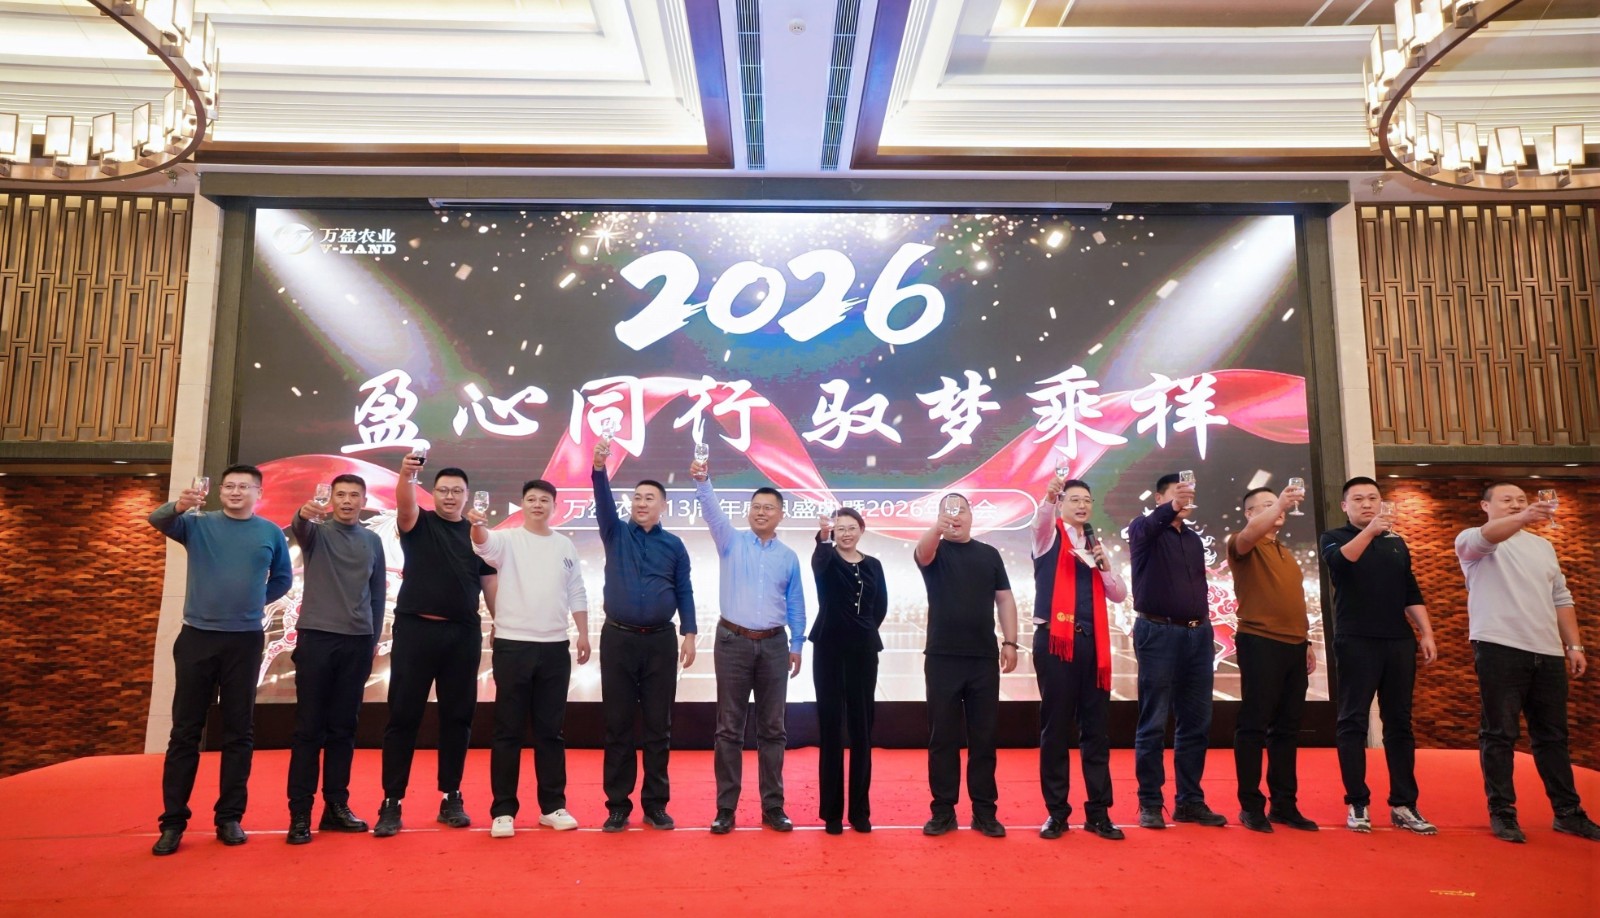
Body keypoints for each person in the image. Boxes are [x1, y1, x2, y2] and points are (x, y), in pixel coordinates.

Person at [147, 464, 292, 856]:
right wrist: (179, 505)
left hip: (244, 640)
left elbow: (283, 579)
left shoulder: (270, 532)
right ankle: (173, 822)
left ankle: (229, 817)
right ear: (220, 490)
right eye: (229, 486)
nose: (235, 491)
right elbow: (157, 519)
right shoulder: (197, 524)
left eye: (244, 486)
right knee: (185, 732)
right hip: (197, 637)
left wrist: (254, 601)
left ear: (259, 493)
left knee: (238, 731)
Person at [1456, 482, 1600, 843]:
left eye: (1521, 500)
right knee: (1499, 733)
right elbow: (1488, 537)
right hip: (1498, 647)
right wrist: (1523, 517)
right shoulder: (1472, 539)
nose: (1516, 504)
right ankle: (1503, 812)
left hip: (1548, 651)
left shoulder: (1543, 546)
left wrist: (1574, 645)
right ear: (1485, 506)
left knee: (1553, 736)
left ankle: (1568, 813)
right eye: (1507, 500)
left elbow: (1561, 598)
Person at [373, 460, 497, 837]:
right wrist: (406, 475)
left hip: (462, 635)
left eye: (457, 491)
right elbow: (404, 503)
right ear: (433, 493)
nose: (450, 496)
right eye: (443, 490)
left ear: (467, 496)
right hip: (415, 630)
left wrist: (502, 623)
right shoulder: (418, 522)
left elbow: (490, 585)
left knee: (458, 717)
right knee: (403, 716)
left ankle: (451, 796)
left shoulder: (478, 535)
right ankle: (392, 801)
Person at [468, 480, 590, 838]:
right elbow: (482, 544)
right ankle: (503, 810)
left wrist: (583, 633)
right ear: (522, 504)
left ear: (554, 506)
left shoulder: (564, 545)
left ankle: (552, 806)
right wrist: (477, 525)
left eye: (544, 500)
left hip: (555, 647)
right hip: (513, 645)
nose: (538, 504)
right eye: (532, 499)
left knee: (551, 732)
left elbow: (576, 590)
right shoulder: (507, 540)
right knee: (508, 730)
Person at [691, 458, 805, 835]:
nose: (761, 512)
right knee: (729, 728)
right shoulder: (730, 541)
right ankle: (726, 808)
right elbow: (711, 511)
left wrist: (797, 643)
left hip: (774, 645)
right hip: (732, 642)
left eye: (769, 507)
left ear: (780, 515)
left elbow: (795, 603)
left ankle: (773, 807)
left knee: (773, 729)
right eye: (756, 506)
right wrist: (703, 480)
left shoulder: (788, 558)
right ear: (748, 512)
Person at [1318, 476, 1437, 835]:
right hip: (1356, 640)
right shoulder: (1334, 537)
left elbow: (1410, 590)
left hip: (1398, 641)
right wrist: (1370, 531)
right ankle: (1357, 801)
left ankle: (1404, 804)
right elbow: (1342, 563)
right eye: (1358, 499)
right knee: (1353, 721)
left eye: (1373, 498)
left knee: (1399, 722)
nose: (1367, 504)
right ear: (1345, 506)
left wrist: (1426, 632)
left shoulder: (1396, 542)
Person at [593, 442, 697, 832]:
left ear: (663, 506)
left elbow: (683, 589)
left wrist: (689, 632)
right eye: (636, 497)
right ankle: (617, 805)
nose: (641, 503)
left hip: (660, 642)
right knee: (618, 725)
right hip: (618, 639)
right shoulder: (615, 532)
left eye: (649, 498)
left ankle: (655, 804)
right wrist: (599, 467)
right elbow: (603, 501)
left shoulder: (674, 545)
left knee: (658, 727)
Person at [285, 473, 386, 844]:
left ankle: (336, 807)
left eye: (353, 495)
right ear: (331, 500)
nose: (346, 501)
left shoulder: (373, 540)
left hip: (357, 642)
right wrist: (302, 513)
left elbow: (377, 595)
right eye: (340, 494)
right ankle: (300, 814)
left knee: (344, 729)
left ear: (364, 501)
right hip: (316, 639)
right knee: (309, 729)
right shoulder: (316, 532)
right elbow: (299, 525)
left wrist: (372, 640)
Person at [1126, 472, 1227, 829]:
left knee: (1196, 722)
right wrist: (1172, 508)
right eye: (1176, 494)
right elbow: (1150, 525)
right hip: (1158, 632)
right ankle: (1150, 802)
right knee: (1153, 721)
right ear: (1159, 499)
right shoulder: (1143, 530)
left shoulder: (1194, 539)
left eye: (1188, 494)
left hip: (1198, 634)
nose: (1185, 499)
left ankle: (1190, 801)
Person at [915, 492, 1019, 838]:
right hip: (942, 658)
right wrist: (937, 528)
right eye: (948, 512)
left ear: (972, 516)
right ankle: (943, 811)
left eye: (961, 511)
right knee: (942, 738)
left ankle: (984, 811)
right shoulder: (935, 551)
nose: (955, 517)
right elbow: (922, 552)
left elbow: (1004, 599)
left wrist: (1010, 642)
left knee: (984, 738)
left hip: (983, 659)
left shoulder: (989, 555)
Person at [1031, 477, 1128, 841]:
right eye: (1074, 499)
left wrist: (1104, 567)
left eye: (1087, 500)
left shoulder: (1094, 544)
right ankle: (1057, 813)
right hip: (1056, 643)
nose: (1082, 505)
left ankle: (1099, 813)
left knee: (1096, 730)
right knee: (1056, 729)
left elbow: (1118, 594)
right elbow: (1040, 521)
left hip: (1092, 645)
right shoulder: (1047, 537)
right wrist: (1048, 497)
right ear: (1062, 504)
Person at [1227, 484, 1318, 834]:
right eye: (1265, 506)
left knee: (1287, 729)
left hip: (1294, 646)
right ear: (1249, 514)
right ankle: (1251, 806)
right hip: (1259, 641)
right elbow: (1250, 534)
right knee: (1253, 726)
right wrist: (1280, 501)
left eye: (1276, 505)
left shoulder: (1285, 552)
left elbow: (1292, 602)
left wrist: (1306, 641)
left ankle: (1284, 804)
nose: (1276, 510)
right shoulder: (1242, 543)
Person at [810, 507, 887, 835]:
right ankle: (831, 814)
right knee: (831, 730)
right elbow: (819, 561)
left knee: (861, 730)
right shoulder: (826, 560)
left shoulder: (874, 565)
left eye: (851, 527)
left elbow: (879, 607)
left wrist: (861, 632)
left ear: (861, 530)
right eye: (839, 528)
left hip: (864, 652)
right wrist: (823, 536)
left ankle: (859, 812)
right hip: (828, 650)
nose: (846, 533)